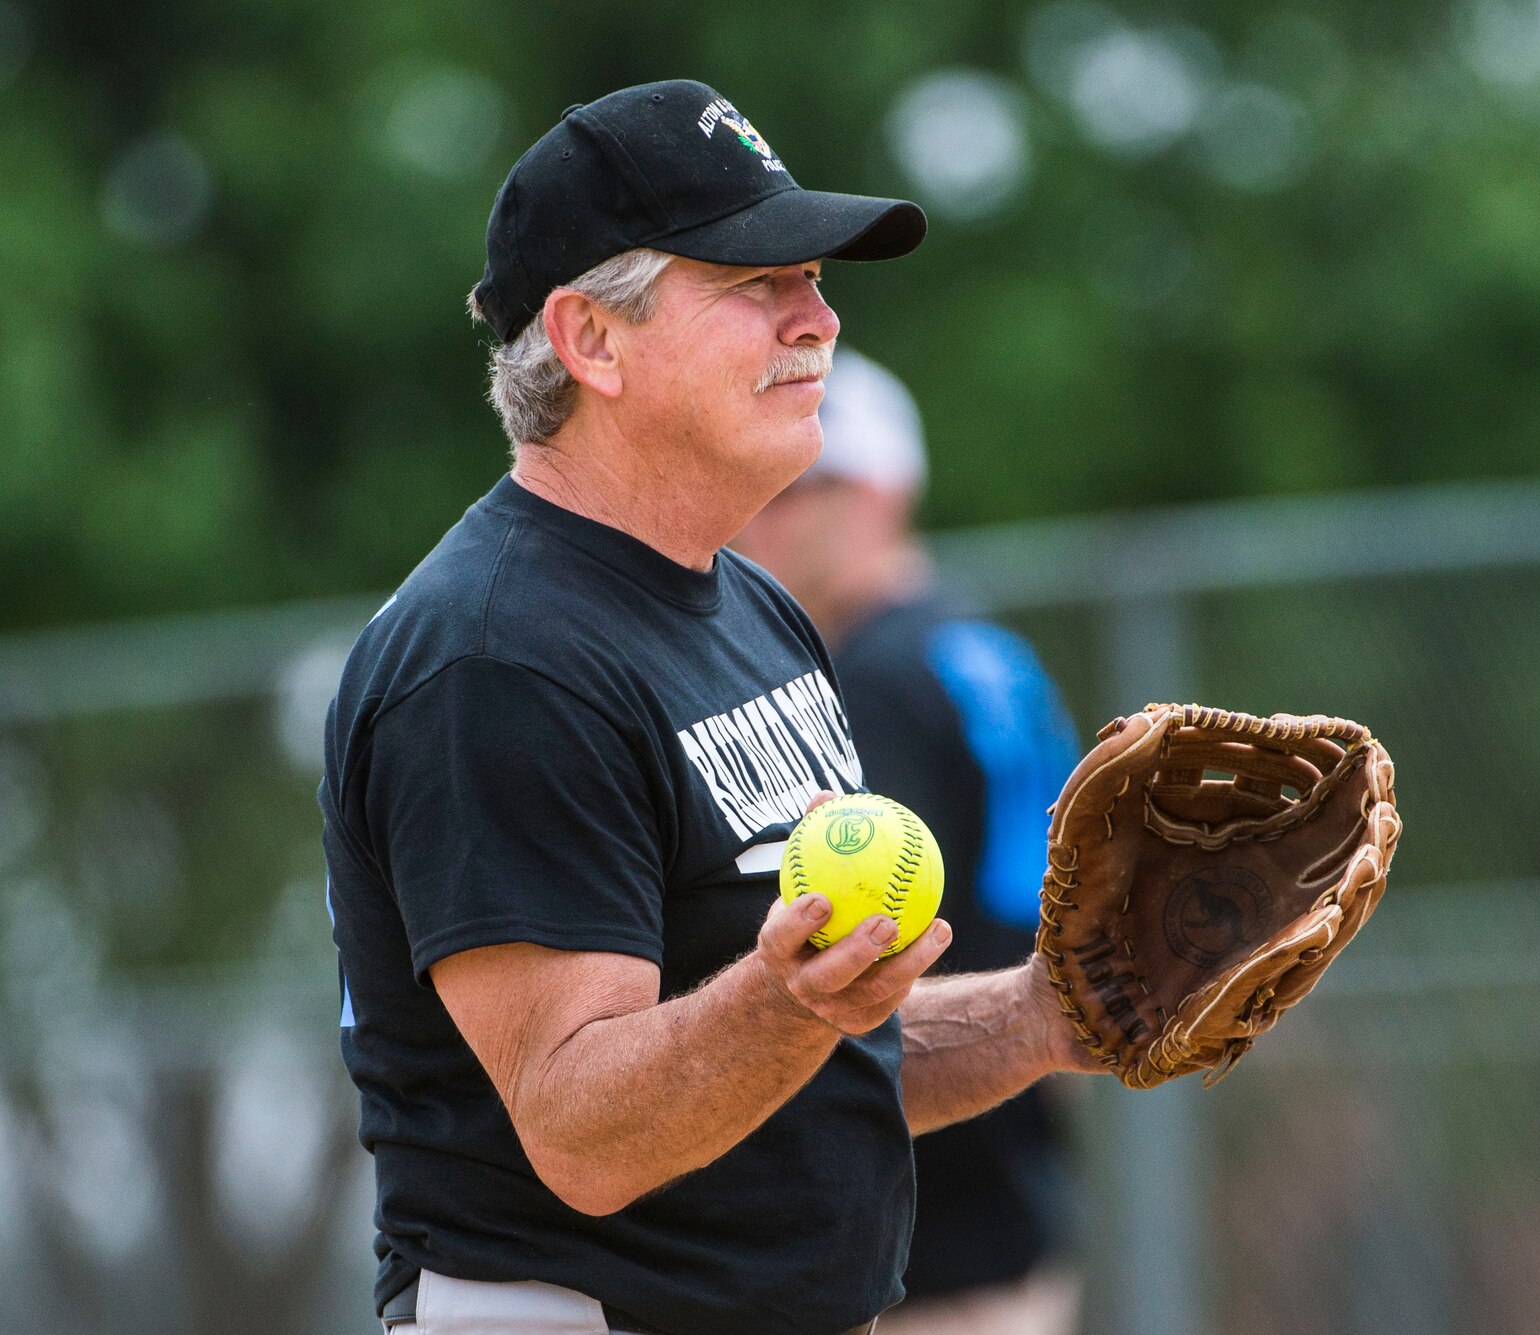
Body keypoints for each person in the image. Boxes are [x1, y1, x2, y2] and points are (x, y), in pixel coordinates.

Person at [319, 80, 1099, 1335]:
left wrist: (1053, 1011)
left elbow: (814, 1072)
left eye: (815, 278)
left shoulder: (754, 607)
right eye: (756, 282)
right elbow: (583, 1130)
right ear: (590, 340)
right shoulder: (494, 657)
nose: (818, 320)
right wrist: (787, 997)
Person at [733, 352, 1083, 1335]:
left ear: (886, 490)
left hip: (926, 1216)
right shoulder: (980, 647)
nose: (772, 512)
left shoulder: (873, 676)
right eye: (767, 483)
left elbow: (860, 940)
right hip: (1009, 1177)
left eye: (809, 487)